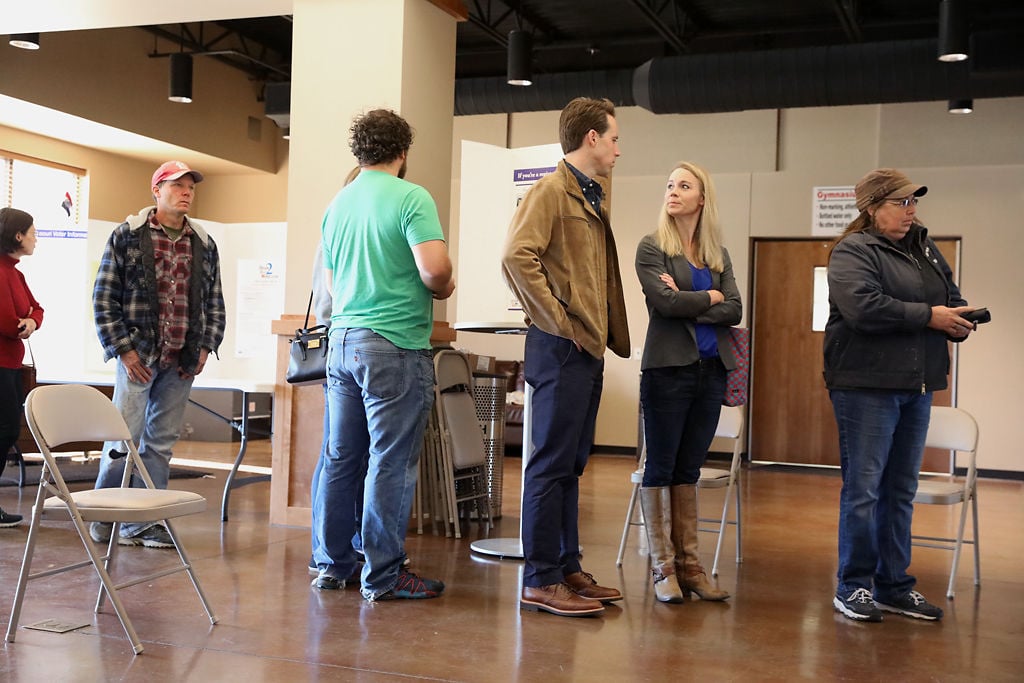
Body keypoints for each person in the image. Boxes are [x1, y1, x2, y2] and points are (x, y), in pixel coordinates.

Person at [826, 168, 978, 623]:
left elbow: (947, 296)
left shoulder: (924, 249)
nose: (911, 210)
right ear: (873, 208)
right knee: (865, 489)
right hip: (865, 386)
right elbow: (862, 307)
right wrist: (929, 317)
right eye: (902, 202)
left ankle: (893, 585)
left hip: (917, 384)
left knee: (901, 489)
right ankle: (853, 586)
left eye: (914, 202)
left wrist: (957, 318)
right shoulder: (853, 250)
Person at [316, 109, 454, 601]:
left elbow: (332, 284)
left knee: (340, 459)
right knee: (390, 462)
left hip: (342, 342)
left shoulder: (339, 203)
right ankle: (385, 575)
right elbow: (435, 270)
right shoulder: (411, 197)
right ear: (403, 152)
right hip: (394, 345)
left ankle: (333, 566)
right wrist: (446, 282)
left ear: (359, 151)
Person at [502, 97, 631, 618]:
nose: (620, 149)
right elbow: (516, 255)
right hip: (561, 347)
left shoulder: (592, 196)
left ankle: (567, 566)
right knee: (550, 465)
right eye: (615, 138)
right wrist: (560, 321)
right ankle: (539, 580)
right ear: (592, 138)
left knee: (571, 465)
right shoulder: (552, 191)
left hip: (585, 349)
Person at [90, 161, 226, 548]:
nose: (186, 192)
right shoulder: (127, 235)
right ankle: (103, 518)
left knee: (160, 444)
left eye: (190, 187)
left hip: (181, 361)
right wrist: (124, 351)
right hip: (138, 357)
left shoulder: (203, 242)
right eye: (177, 185)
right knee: (122, 441)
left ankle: (144, 522)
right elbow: (103, 298)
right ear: (157, 190)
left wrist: (205, 347)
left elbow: (214, 301)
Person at [634, 161, 741, 604]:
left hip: (711, 371)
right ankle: (663, 566)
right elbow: (662, 303)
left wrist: (691, 300)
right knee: (660, 466)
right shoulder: (651, 246)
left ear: (702, 198)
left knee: (689, 469)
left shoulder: (717, 253)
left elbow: (734, 308)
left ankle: (690, 566)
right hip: (667, 372)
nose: (673, 191)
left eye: (684, 185)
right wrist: (707, 298)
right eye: (669, 185)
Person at [0, 208, 44, 527]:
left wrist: (29, 320)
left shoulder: (16, 273)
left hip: (11, 364)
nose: (35, 238)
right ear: (18, 236)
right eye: (33, 232)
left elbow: (36, 309)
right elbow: (5, 321)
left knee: (8, 431)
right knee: (4, 431)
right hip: (0, 364)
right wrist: (22, 322)